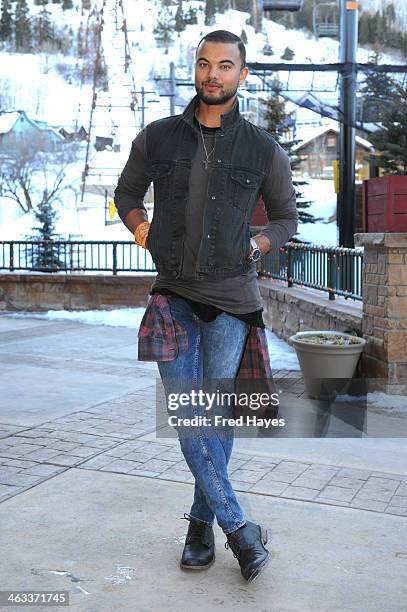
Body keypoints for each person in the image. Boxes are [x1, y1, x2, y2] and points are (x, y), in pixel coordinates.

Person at [114, 30, 298, 583]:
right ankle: (239, 529)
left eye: (224, 65)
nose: (212, 74)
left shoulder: (264, 150)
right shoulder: (159, 137)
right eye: (203, 64)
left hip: (234, 301)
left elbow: (286, 219)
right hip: (174, 295)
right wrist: (142, 228)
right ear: (194, 70)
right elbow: (126, 193)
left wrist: (258, 243)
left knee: (213, 417)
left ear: (242, 75)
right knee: (188, 412)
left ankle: (200, 523)